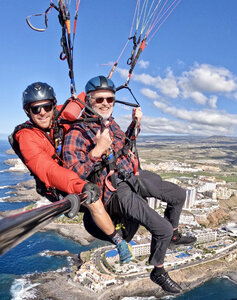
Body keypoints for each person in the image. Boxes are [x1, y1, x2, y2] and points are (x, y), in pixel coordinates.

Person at [63, 75, 196, 294]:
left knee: (178, 195)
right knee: (159, 228)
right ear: (88, 100)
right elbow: (72, 174)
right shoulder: (77, 132)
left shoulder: (109, 123)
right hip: (114, 191)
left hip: (131, 175)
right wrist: (97, 150)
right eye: (100, 100)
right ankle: (158, 270)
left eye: (110, 99)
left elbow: (125, 145)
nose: (106, 103)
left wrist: (135, 123)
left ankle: (173, 234)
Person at [11, 82, 133, 264]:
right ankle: (119, 242)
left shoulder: (60, 116)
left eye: (46, 106)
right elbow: (48, 170)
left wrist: (100, 86)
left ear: (53, 105)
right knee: (92, 199)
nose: (43, 112)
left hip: (74, 169)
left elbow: (79, 101)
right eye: (36, 109)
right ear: (28, 112)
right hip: (57, 185)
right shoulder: (27, 137)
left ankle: (121, 215)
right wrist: (80, 185)